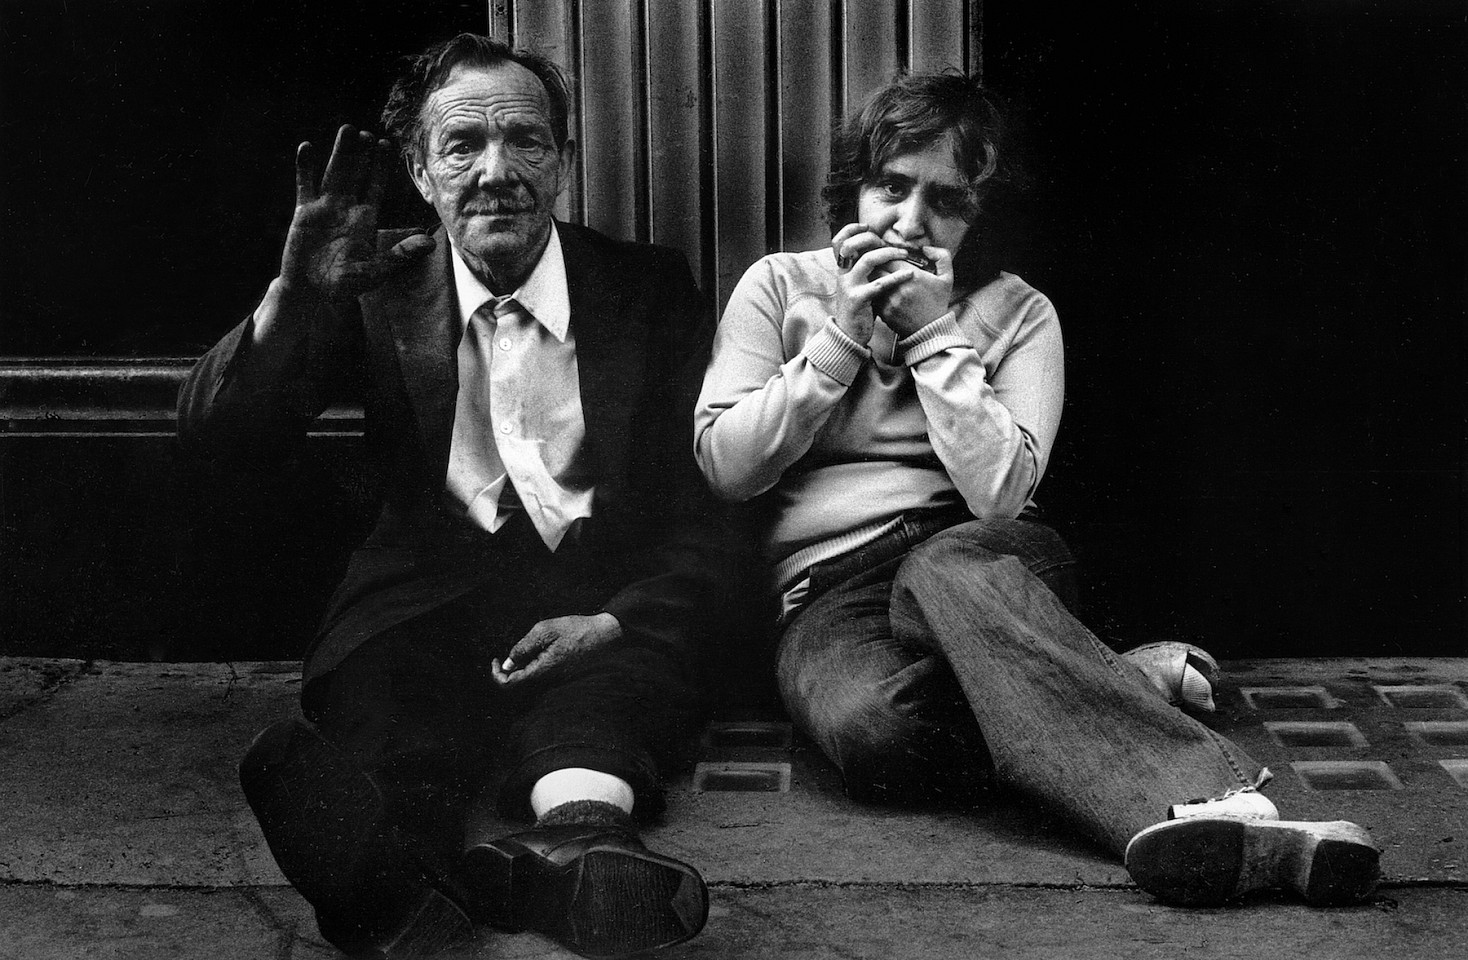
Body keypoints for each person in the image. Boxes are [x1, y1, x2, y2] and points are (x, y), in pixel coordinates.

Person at [693, 70, 1381, 908]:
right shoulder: (778, 287)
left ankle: (1221, 804)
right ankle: (1104, 683)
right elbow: (727, 466)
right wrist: (842, 336)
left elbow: (999, 494)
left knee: (944, 571)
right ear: (853, 191)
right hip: (827, 590)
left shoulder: (1021, 314)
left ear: (981, 219)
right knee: (876, 734)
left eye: (946, 202)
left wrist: (933, 334)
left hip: (980, 559)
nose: (909, 224)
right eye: (890, 188)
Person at [179, 34, 728, 959]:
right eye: (463, 146)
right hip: (419, 607)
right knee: (395, 728)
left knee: (599, 714)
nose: (497, 171)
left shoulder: (646, 288)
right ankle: (408, 883)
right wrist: (292, 298)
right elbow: (221, 439)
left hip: (590, 599)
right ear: (421, 174)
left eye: (526, 142)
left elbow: (696, 500)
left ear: (562, 159)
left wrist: (619, 619)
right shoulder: (374, 289)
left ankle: (584, 849)